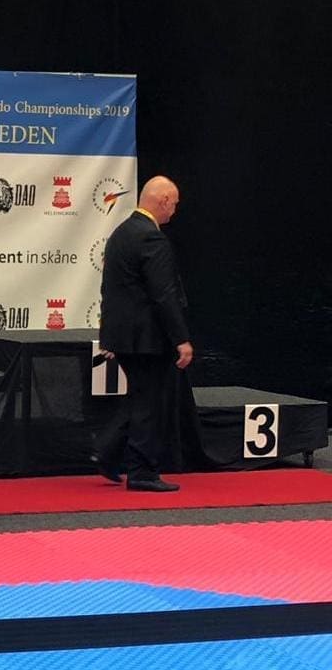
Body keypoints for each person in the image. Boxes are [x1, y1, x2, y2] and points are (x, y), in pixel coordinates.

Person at [95, 175, 193, 492]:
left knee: (140, 397)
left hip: (124, 336)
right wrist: (181, 339)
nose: (175, 210)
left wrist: (110, 335)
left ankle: (108, 452)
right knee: (150, 403)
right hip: (147, 339)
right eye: (174, 203)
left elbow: (111, 289)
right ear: (163, 201)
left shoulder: (120, 233)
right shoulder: (152, 238)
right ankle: (142, 472)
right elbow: (164, 294)